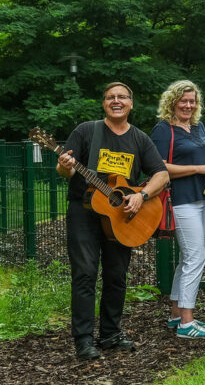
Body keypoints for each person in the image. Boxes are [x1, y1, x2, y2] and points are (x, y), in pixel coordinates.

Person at [58, 82, 169, 359]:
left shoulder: (140, 139)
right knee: (84, 275)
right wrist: (65, 165)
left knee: (117, 277)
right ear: (104, 103)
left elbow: (162, 175)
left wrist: (141, 196)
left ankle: (110, 334)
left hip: (121, 214)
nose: (116, 101)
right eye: (110, 97)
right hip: (84, 213)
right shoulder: (87, 131)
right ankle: (84, 340)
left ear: (131, 103)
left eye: (122, 97)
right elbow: (65, 171)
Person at [151, 80, 205, 339]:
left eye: (192, 101)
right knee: (196, 258)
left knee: (187, 259)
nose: (188, 105)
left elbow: (201, 158)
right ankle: (187, 322)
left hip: (202, 198)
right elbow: (158, 167)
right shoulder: (163, 130)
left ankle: (175, 314)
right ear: (172, 101)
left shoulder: (197, 126)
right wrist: (199, 169)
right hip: (180, 200)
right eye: (183, 100)